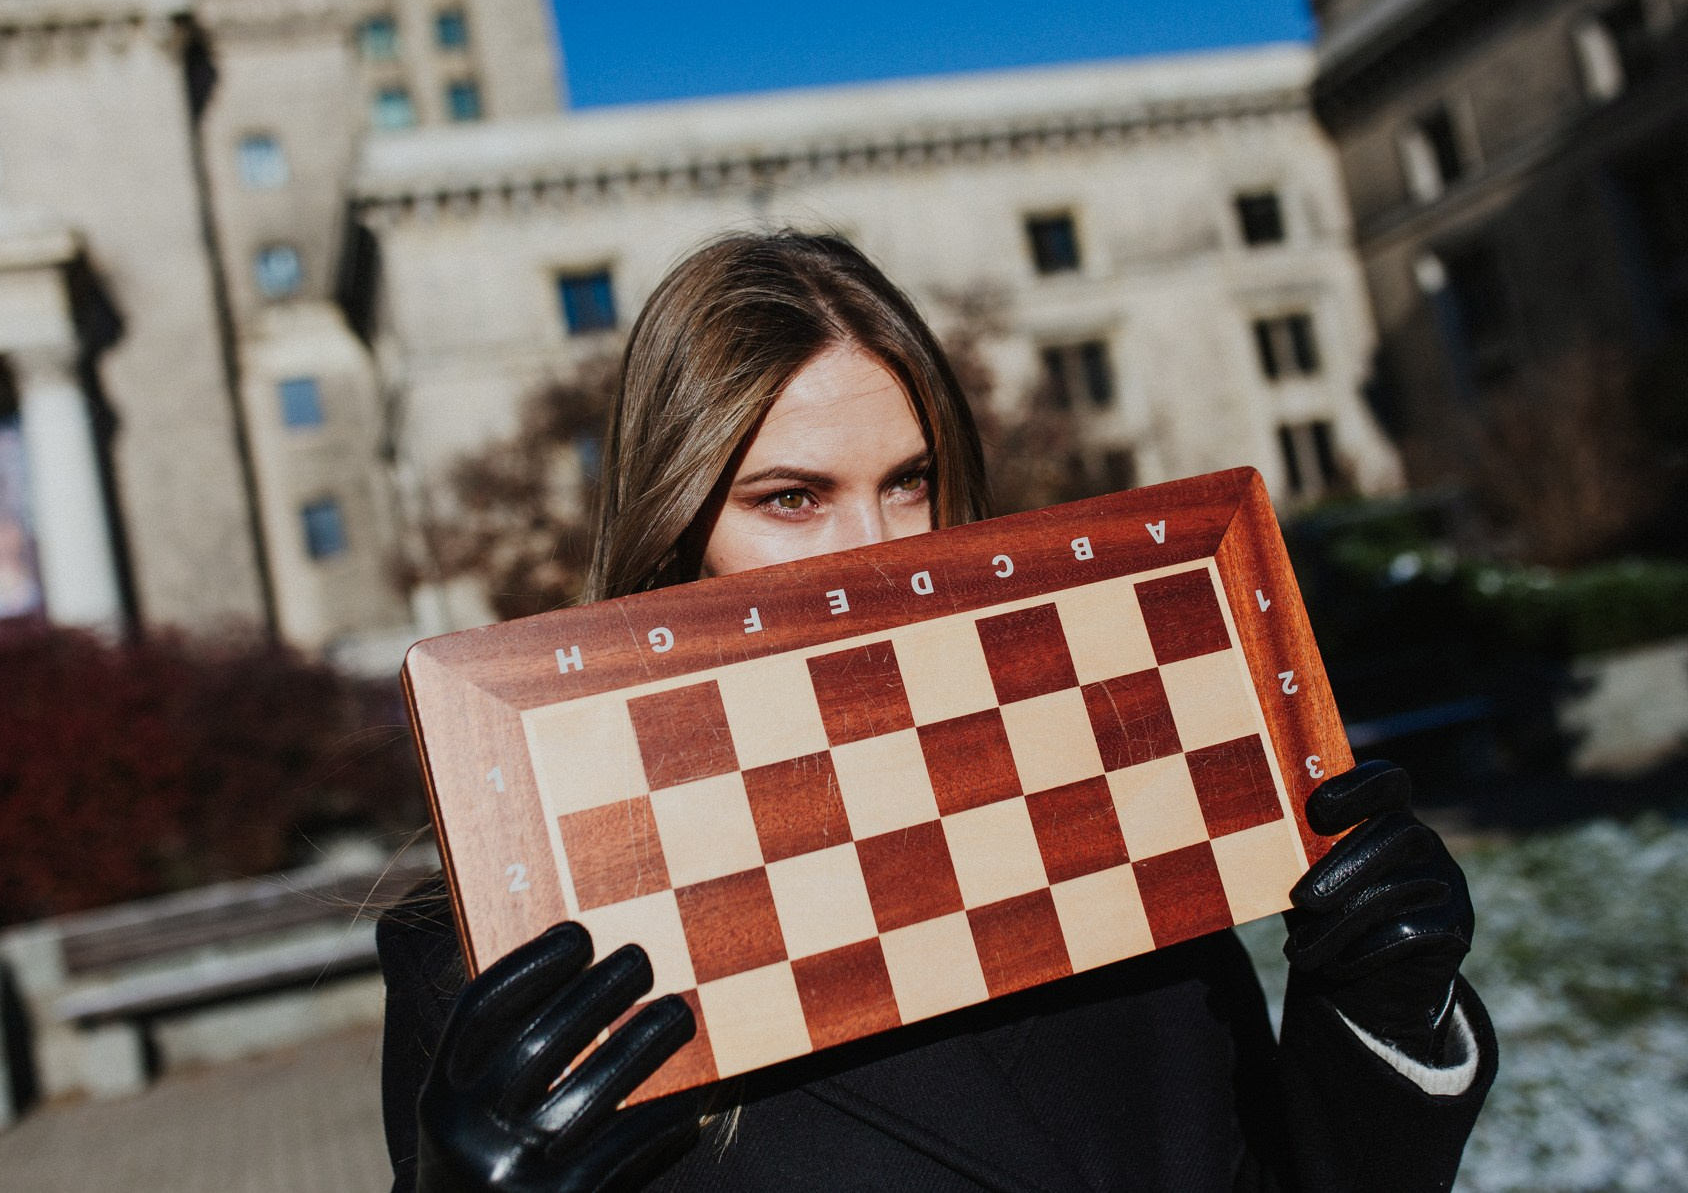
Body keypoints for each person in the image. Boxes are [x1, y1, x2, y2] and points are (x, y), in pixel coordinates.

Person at [379, 232, 1495, 1193]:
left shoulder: (1111, 807)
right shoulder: (503, 960)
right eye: (791, 498)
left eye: (908, 482)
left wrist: (1382, 1022)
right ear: (675, 534)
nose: (874, 553)